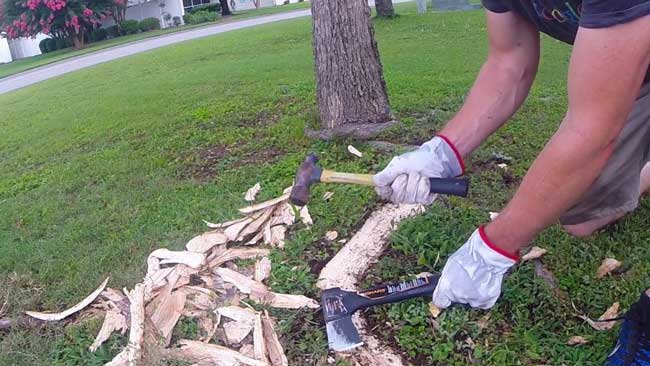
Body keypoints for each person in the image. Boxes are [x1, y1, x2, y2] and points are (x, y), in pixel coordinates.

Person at [374, 1, 650, 364]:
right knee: (583, 218)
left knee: (592, 148)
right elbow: (509, 62)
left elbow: (591, 132)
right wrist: (440, 153)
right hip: (635, 70)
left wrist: (493, 249)